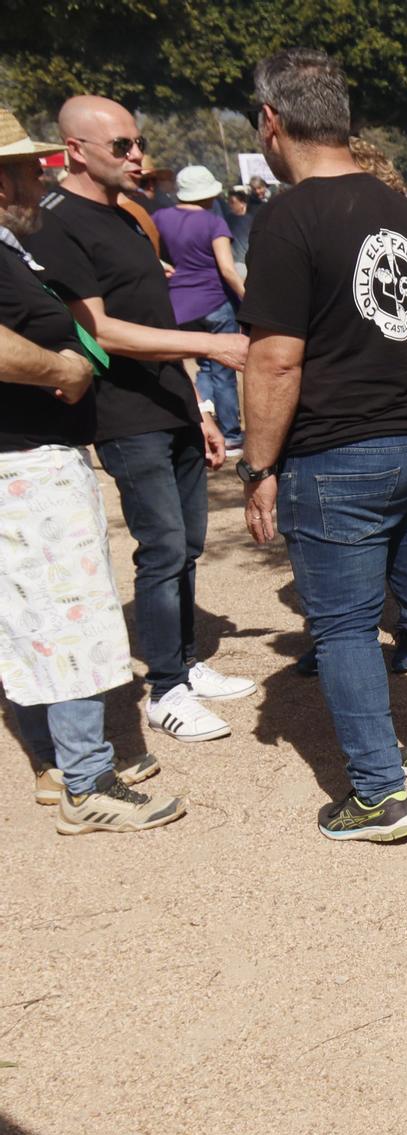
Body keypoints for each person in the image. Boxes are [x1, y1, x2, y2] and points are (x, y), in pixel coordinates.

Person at [237, 47, 407, 843]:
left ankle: (378, 795)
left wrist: (258, 466)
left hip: (340, 453)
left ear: (272, 122)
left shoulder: (285, 218)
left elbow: (273, 358)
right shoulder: (404, 208)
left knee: (342, 626)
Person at [35, 95, 254, 744]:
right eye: (122, 146)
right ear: (75, 150)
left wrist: (202, 406)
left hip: (174, 404)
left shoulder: (130, 216)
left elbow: (156, 320)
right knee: (160, 548)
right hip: (125, 415)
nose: (139, 156)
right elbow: (98, 328)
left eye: (138, 143)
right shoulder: (57, 222)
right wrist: (212, 347)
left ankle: (182, 661)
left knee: (185, 543)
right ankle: (165, 689)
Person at [0, 108, 182, 832]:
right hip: (24, 461)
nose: (33, 176)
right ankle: (86, 779)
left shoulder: (15, 244)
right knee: (65, 614)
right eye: (18, 167)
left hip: (33, 455)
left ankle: (59, 761)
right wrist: (63, 366)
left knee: (37, 617)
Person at [156, 164, 246, 453]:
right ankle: (231, 433)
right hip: (215, 301)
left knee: (203, 368)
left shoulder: (159, 218)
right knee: (223, 371)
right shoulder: (213, 222)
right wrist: (247, 299)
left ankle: (201, 423)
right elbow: (228, 270)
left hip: (179, 305)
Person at [223, 187, 253, 266]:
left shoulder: (251, 220)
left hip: (247, 261)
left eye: (232, 202)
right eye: (228, 202)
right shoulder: (226, 220)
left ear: (243, 203)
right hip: (232, 262)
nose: (229, 205)